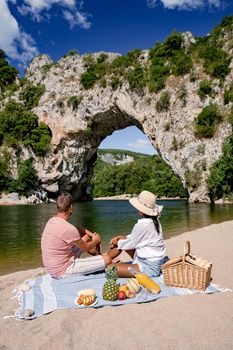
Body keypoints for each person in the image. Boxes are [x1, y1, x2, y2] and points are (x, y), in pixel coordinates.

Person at [41, 192, 112, 278]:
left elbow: (79, 229)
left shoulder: (52, 221)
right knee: (107, 259)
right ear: (71, 207)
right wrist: (96, 240)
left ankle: (98, 257)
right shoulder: (68, 229)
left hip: (51, 268)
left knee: (86, 237)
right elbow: (86, 247)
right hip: (63, 270)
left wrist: (92, 235)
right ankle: (100, 260)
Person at [108, 190, 168, 278]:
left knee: (110, 270)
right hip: (157, 261)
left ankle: (105, 261)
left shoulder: (142, 225)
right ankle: (105, 259)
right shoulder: (155, 221)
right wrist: (121, 238)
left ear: (141, 210)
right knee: (122, 241)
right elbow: (137, 238)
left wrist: (117, 242)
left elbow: (131, 243)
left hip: (149, 267)